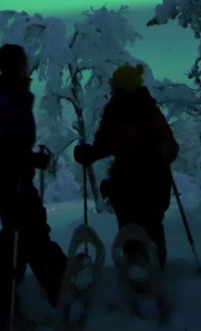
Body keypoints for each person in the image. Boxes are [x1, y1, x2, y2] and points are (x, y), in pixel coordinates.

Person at [0, 44, 67, 327]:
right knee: (23, 229)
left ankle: (15, 297)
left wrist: (28, 157)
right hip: (6, 170)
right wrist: (1, 143)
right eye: (24, 62)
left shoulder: (11, 92)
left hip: (13, 168)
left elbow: (4, 136)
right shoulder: (4, 94)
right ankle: (53, 285)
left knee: (22, 230)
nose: (28, 65)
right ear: (16, 65)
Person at [74, 64, 179, 268]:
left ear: (121, 86)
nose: (110, 86)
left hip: (129, 179)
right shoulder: (148, 109)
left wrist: (89, 153)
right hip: (152, 177)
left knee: (131, 224)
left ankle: (137, 265)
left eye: (113, 83)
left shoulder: (116, 111)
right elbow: (169, 144)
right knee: (150, 223)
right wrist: (165, 151)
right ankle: (152, 266)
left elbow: (104, 144)